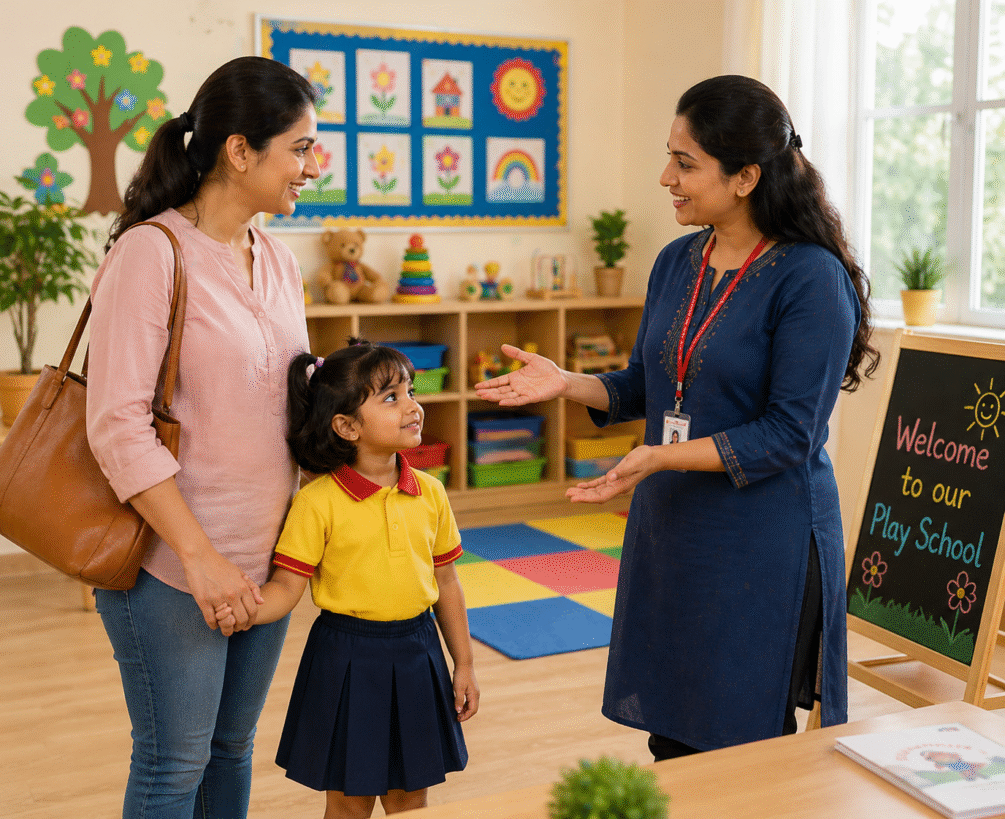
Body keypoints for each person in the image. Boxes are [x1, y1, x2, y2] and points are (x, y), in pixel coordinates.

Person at [476, 75, 879, 760]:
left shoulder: (810, 277)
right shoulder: (675, 261)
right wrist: (567, 382)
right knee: (674, 739)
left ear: (746, 176)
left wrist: (660, 457)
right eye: (670, 156)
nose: (666, 176)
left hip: (760, 542)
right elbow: (648, 386)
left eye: (685, 162)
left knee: (741, 749)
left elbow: (790, 433)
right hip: (674, 533)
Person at [86, 56, 320, 817]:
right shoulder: (151, 253)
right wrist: (201, 557)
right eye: (301, 149)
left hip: (264, 558)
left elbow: (289, 398)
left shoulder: (280, 260)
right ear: (240, 150)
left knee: (230, 749)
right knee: (173, 762)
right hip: (171, 562)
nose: (309, 168)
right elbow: (116, 424)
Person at [215, 339, 478, 818]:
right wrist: (248, 609)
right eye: (391, 398)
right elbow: (286, 588)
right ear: (347, 426)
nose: (413, 406)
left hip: (419, 654)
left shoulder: (432, 493)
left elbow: (448, 584)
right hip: (347, 659)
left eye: (411, 391)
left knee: (411, 801)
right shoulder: (317, 503)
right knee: (349, 803)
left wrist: (464, 664)